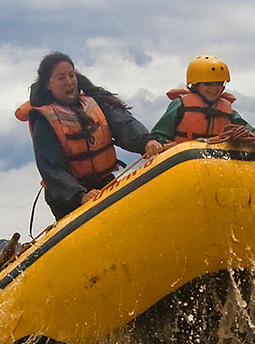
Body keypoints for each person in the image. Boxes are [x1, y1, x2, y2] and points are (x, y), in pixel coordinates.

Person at [16, 52, 163, 220]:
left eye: (71, 75)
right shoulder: (44, 121)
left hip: (103, 184)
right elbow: (51, 169)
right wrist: (80, 196)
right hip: (68, 199)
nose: (69, 82)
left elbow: (123, 124)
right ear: (47, 85)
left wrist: (147, 141)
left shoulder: (94, 103)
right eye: (61, 78)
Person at [152, 55, 255, 146]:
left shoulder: (228, 111)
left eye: (219, 83)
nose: (214, 88)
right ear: (195, 85)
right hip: (185, 162)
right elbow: (160, 133)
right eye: (207, 83)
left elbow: (248, 131)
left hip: (217, 162)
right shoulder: (180, 105)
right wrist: (161, 143)